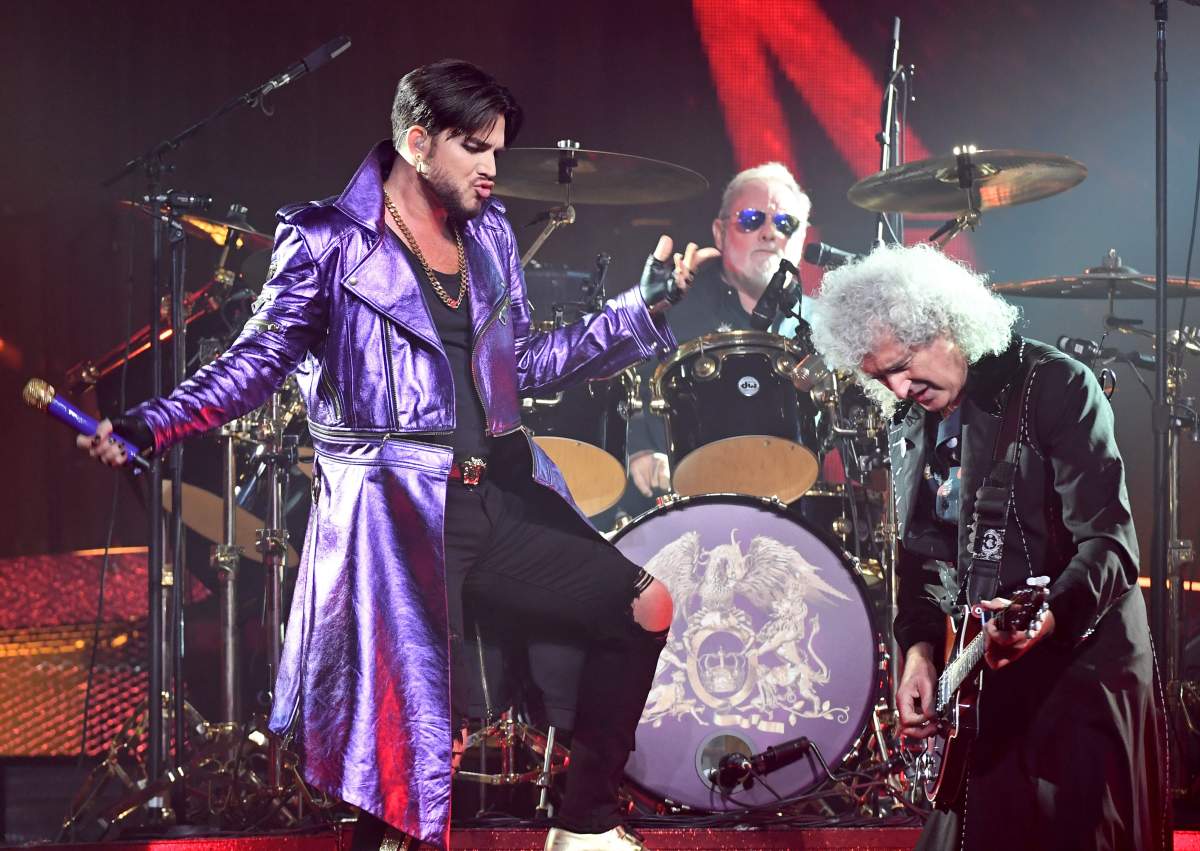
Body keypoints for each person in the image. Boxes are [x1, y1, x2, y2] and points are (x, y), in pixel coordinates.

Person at [79, 59, 713, 851]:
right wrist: (151, 423)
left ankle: (583, 824)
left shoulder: (490, 236)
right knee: (406, 755)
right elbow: (256, 360)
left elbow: (527, 365)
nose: (491, 169)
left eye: (497, 150)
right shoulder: (326, 240)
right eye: (475, 150)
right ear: (418, 143)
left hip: (495, 501)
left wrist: (640, 310)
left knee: (644, 604)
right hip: (398, 517)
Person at [807, 243, 1166, 850]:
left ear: (943, 325)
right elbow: (920, 560)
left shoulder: (1055, 386)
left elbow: (1110, 545)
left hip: (1080, 668)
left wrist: (1047, 618)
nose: (897, 388)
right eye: (878, 377)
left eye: (902, 364)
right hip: (984, 675)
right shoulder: (911, 421)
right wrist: (918, 652)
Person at [625, 162, 811, 499]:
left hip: (796, 499)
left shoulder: (823, 325)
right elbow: (624, 384)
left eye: (785, 223)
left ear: (802, 237)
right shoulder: (674, 309)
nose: (770, 233)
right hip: (685, 501)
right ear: (720, 232)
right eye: (752, 220)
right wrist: (638, 446)